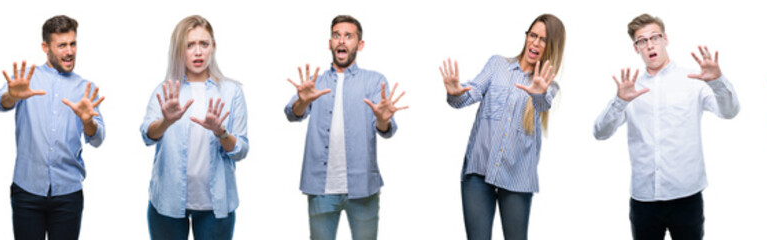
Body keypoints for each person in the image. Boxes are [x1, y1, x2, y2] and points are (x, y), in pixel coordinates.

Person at [592, 13, 739, 240]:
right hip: (644, 200)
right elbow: (600, 133)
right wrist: (619, 102)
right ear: (636, 48)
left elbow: (730, 112)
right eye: (643, 41)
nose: (650, 45)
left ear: (665, 39)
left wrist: (717, 81)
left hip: (686, 196)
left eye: (655, 38)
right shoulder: (631, 89)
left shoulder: (693, 79)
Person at [438, 13, 564, 240]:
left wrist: (539, 92)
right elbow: (469, 94)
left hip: (517, 178)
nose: (535, 43)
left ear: (552, 46)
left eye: (543, 39)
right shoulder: (497, 64)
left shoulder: (548, 86)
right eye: (532, 35)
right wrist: (454, 93)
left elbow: (543, 104)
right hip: (478, 172)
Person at [286, 15, 407, 240]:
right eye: (336, 35)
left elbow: (385, 129)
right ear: (330, 43)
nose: (342, 41)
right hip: (320, 189)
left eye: (348, 36)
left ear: (359, 45)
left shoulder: (374, 81)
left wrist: (382, 118)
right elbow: (292, 114)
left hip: (363, 188)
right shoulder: (315, 82)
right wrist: (302, 101)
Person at [0, 15, 105, 240]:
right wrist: (11, 96)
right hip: (27, 190)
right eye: (62, 45)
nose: (69, 51)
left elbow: (97, 138)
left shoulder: (85, 88)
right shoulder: (27, 79)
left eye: (73, 44)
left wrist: (88, 122)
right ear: (45, 47)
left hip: (68, 194)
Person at [140, 15, 249, 240]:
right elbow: (147, 135)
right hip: (168, 202)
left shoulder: (232, 91)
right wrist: (166, 121)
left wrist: (221, 132)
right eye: (190, 45)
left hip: (216, 206)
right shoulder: (165, 90)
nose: (198, 52)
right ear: (179, 50)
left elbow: (241, 150)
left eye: (204, 44)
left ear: (213, 47)